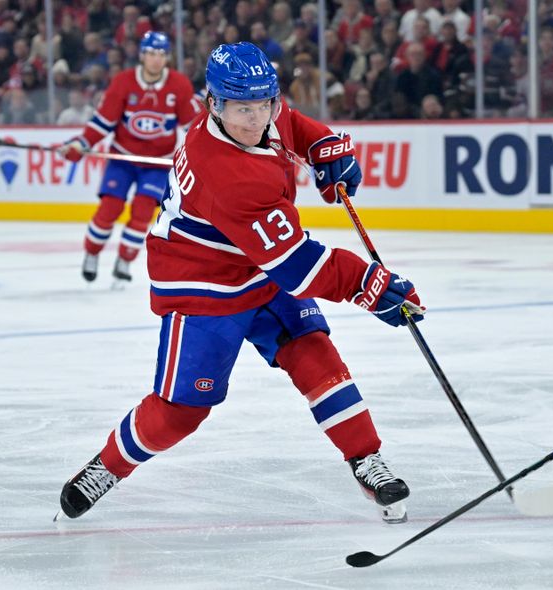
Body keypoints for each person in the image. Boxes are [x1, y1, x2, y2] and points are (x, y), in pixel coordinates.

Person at [57, 42, 425, 525]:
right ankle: (107, 466)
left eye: (264, 104)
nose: (257, 120)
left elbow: (293, 125)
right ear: (214, 105)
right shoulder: (227, 172)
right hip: (202, 283)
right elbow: (298, 267)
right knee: (180, 413)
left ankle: (364, 458)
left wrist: (326, 151)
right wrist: (370, 285)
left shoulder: (262, 110)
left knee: (311, 347)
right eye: (242, 109)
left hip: (258, 262)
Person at [59, 32, 202, 283]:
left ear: (166, 57)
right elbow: (104, 122)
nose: (156, 60)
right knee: (110, 208)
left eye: (161, 55)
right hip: (122, 158)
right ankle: (91, 253)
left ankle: (125, 260)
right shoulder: (123, 82)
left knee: (143, 211)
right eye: (151, 54)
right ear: (142, 55)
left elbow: (191, 125)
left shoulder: (179, 85)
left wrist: (208, 148)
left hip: (157, 163)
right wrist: (81, 143)